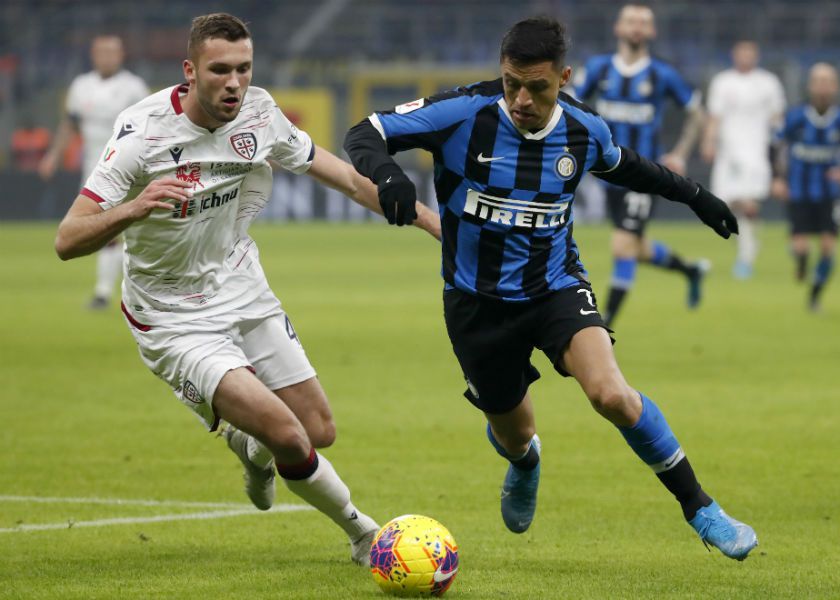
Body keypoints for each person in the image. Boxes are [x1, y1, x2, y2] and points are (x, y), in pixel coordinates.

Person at [345, 16, 757, 560]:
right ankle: (525, 461)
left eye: (536, 87)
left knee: (611, 395)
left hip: (555, 287)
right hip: (475, 304)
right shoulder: (463, 113)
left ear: (563, 78)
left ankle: (701, 508)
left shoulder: (584, 130)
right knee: (514, 435)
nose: (520, 99)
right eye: (512, 83)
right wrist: (389, 175)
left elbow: (629, 167)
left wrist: (697, 196)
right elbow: (364, 134)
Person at [55, 13, 440, 566]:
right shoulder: (142, 135)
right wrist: (137, 205)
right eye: (220, 71)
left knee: (318, 431)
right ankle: (367, 537)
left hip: (241, 287)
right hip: (170, 315)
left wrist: (435, 226)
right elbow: (67, 239)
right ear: (190, 72)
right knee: (289, 432)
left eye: (243, 68)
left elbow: (349, 180)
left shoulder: (260, 113)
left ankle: (250, 449)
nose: (234, 82)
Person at [570, 3, 708, 327]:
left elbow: (696, 113)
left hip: (645, 175)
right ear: (618, 28)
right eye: (630, 21)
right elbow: (571, 105)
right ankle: (690, 270)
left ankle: (604, 324)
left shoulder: (663, 74)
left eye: (643, 22)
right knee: (635, 245)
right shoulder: (598, 69)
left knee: (623, 245)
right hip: (608, 175)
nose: (636, 27)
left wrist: (681, 152)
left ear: (651, 32)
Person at [40, 35, 150, 310]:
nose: (107, 57)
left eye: (112, 52)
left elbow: (152, 126)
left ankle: (108, 292)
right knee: (106, 227)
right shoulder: (81, 86)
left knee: (125, 227)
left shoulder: (134, 87)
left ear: (121, 55)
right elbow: (70, 125)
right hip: (93, 168)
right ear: (93, 55)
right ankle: (108, 291)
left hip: (129, 166)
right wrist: (54, 156)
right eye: (102, 52)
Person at [772, 63, 840, 311]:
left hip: (829, 195)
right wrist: (778, 178)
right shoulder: (796, 117)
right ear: (810, 86)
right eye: (818, 81)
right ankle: (801, 263)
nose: (823, 87)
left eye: (828, 81)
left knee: (827, 246)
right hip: (799, 191)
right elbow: (776, 146)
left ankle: (814, 296)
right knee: (800, 246)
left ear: (836, 87)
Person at [702, 40, 786, 279]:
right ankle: (747, 243)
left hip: (755, 152)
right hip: (728, 154)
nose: (745, 57)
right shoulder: (722, 82)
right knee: (725, 207)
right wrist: (709, 142)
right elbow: (714, 117)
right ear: (733, 55)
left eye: (750, 53)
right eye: (741, 53)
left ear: (756, 56)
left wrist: (778, 153)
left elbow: (777, 119)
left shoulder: (768, 83)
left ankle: (745, 257)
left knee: (749, 205)